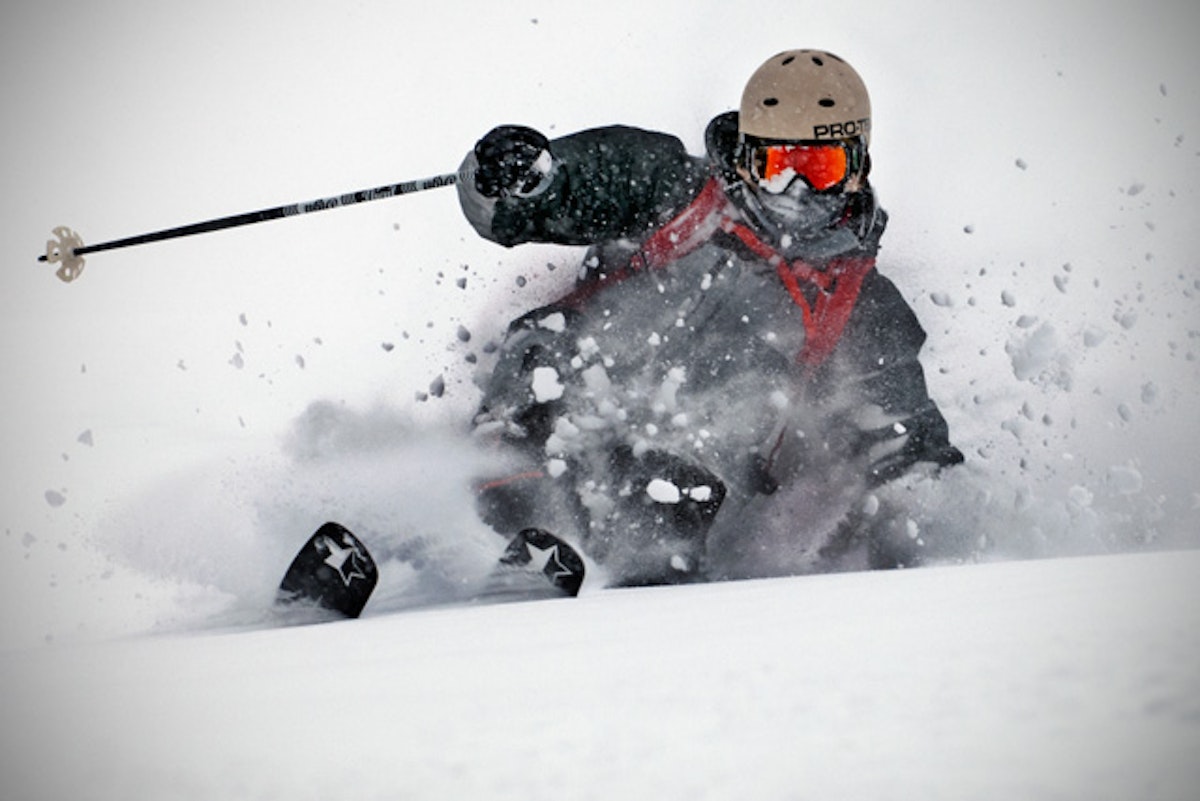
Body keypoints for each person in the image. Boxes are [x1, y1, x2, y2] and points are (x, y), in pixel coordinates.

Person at [457, 49, 963, 586]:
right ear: (746, 158)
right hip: (568, 401)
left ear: (856, 167)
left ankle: (642, 578)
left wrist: (919, 526)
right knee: (544, 349)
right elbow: (569, 186)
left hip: (688, 468)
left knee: (711, 427)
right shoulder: (671, 190)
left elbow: (903, 446)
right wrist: (517, 180)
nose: (796, 190)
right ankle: (476, 539)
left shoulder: (858, 303)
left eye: (820, 168)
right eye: (778, 167)